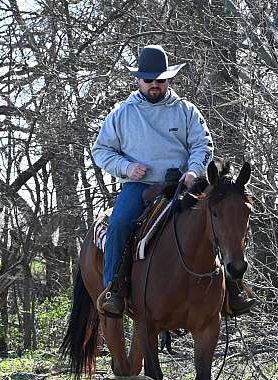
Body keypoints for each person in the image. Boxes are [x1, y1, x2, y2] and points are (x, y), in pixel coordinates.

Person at [91, 45, 255, 317]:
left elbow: (202, 145)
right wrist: (127, 167)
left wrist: (192, 171)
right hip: (140, 187)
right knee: (119, 224)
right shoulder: (122, 114)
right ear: (139, 80)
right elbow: (101, 151)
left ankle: (233, 287)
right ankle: (115, 289)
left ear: (169, 79)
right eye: (149, 80)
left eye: (161, 80)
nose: (155, 85)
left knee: (222, 219)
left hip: (183, 184)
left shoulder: (186, 111)